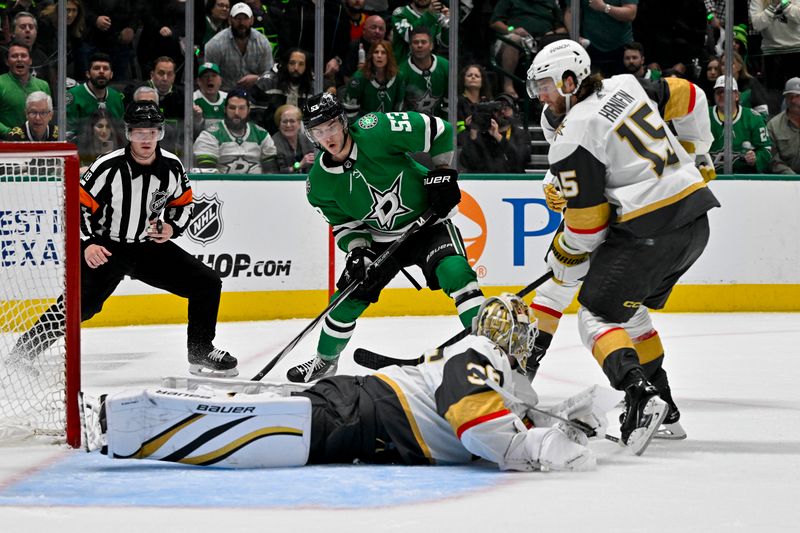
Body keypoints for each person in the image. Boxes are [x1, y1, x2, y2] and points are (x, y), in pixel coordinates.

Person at [84, 294, 607, 471]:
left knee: (250, 418)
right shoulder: (480, 356)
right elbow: (479, 429)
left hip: (358, 408)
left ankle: (125, 417)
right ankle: (122, 419)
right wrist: (548, 446)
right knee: (249, 430)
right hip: (358, 417)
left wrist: (568, 424)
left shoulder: (485, 365)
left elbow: (511, 417)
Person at [526, 39, 720, 447]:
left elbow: (589, 224)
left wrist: (565, 251)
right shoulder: (625, 85)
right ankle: (665, 410)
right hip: (694, 221)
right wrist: (694, 152)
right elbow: (690, 94)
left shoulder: (574, 131)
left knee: (595, 316)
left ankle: (639, 392)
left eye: (544, 85)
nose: (540, 97)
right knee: (628, 315)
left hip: (650, 229)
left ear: (568, 79)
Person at [7, 101, 238, 378]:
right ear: (128, 134)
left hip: (147, 247)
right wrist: (87, 243)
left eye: (151, 132)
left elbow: (184, 203)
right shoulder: (108, 166)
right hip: (107, 247)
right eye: (139, 132)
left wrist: (171, 228)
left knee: (206, 283)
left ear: (160, 133)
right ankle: (22, 353)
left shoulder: (172, 166)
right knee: (81, 306)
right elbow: (74, 205)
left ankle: (200, 351)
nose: (146, 138)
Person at [292, 92, 484, 382]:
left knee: (457, 274)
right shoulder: (318, 184)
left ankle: (493, 351)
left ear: (343, 122)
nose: (327, 136)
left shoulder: (376, 130)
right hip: (380, 239)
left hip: (429, 225)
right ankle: (325, 361)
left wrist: (443, 173)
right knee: (347, 298)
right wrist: (358, 250)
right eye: (318, 131)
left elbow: (439, 131)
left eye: (331, 126)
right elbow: (344, 224)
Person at [489, 0, 567, 98]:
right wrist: (511, 29)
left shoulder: (551, 3)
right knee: (514, 39)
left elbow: (563, 27)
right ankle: (508, 85)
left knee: (559, 44)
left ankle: (556, 88)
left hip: (543, 40)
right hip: (516, 37)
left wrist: (554, 32)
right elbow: (495, 23)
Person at [193, 88, 279, 173]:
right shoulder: (209, 136)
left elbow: (271, 173)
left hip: (256, 186)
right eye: (232, 108)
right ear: (225, 109)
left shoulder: (262, 135)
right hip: (221, 186)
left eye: (242, 108)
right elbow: (206, 177)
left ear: (248, 110)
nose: (237, 113)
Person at [204, 2, 275, 91]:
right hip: (224, 96)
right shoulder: (214, 44)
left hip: (255, 95)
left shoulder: (262, 42)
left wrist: (257, 78)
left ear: (252, 20)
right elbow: (208, 78)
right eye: (238, 18)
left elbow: (270, 76)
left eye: (245, 18)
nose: (241, 23)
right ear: (230, 20)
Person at [709, 76, 772, 174]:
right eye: (718, 92)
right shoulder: (704, 116)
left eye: (726, 92)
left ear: (737, 95)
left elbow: (766, 149)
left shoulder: (753, 118)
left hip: (745, 179)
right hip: (710, 178)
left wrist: (756, 158)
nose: (722, 95)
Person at [458, 93, 531, 173]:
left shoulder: (521, 134)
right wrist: (473, 134)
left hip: (513, 182)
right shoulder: (481, 134)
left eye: (506, 108)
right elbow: (466, 162)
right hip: (484, 182)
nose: (502, 111)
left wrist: (498, 136)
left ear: (514, 111)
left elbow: (522, 160)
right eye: (497, 109)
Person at [564, 0, 639, 77]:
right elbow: (570, 11)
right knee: (592, 85)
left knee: (622, 84)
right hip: (591, 46)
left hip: (620, 46)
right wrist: (575, 36)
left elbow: (631, 13)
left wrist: (604, 7)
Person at [250, 47, 314, 134]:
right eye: (292, 63)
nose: (296, 68)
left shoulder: (312, 86)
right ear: (285, 64)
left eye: (301, 64)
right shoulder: (267, 82)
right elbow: (255, 116)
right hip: (268, 135)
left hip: (301, 138)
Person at [66, 52, 125, 142]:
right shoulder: (73, 95)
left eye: (105, 68)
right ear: (88, 74)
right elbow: (68, 133)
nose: (101, 71)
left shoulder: (116, 97)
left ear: (111, 74)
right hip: (82, 151)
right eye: (96, 68)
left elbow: (121, 130)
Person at [341, 40, 406, 120]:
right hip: (364, 124)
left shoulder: (398, 77)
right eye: (376, 52)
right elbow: (349, 111)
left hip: (389, 125)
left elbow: (399, 108)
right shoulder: (359, 78)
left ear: (389, 56)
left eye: (383, 53)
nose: (379, 56)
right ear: (371, 55)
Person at [0, 41, 51, 137]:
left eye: (23, 56)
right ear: (7, 61)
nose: (19, 59)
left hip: (38, 143)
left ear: (30, 60)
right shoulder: (0, 83)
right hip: (6, 144)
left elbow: (48, 115)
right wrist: (10, 133)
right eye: (14, 56)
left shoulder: (43, 85)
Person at [749, 0, 800, 95]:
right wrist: (772, 5)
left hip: (796, 48)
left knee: (796, 93)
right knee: (774, 95)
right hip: (771, 51)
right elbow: (756, 25)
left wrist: (784, 4)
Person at [398, 26, 449, 119]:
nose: (419, 45)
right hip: (412, 125)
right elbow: (398, 108)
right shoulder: (401, 72)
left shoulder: (445, 66)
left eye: (424, 42)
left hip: (440, 124)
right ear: (410, 46)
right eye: (415, 42)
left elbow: (450, 101)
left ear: (431, 46)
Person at [271, 104, 317, 174]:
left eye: (292, 121)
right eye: (284, 121)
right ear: (279, 124)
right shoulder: (273, 142)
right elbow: (276, 172)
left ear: (299, 124)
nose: (288, 125)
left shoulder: (306, 139)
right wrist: (298, 165)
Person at [767, 77, 800, 174]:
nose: (793, 100)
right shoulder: (773, 125)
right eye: (789, 96)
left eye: (798, 96)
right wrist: (793, 178)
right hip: (785, 182)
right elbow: (773, 160)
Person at [456, 64, 494, 134]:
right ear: (463, 79)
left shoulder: (488, 102)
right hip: (463, 141)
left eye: (477, 76)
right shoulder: (457, 101)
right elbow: (454, 127)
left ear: (482, 81)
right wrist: (465, 124)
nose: (473, 77)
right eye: (469, 75)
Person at [193, 62, 228, 133]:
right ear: (199, 81)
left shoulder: (228, 98)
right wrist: (197, 119)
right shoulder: (193, 99)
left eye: (214, 75)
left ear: (220, 80)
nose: (210, 79)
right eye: (205, 76)